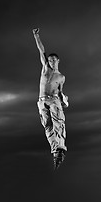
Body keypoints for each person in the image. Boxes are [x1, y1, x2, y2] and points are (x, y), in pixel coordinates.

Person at [33, 28, 69, 169]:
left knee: (58, 123)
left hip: (54, 100)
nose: (51, 62)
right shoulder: (45, 68)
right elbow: (41, 50)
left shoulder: (61, 77)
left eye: (53, 60)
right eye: (49, 60)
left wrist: (63, 99)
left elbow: (60, 91)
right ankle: (56, 151)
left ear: (58, 60)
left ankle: (61, 146)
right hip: (42, 101)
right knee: (47, 126)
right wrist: (36, 36)